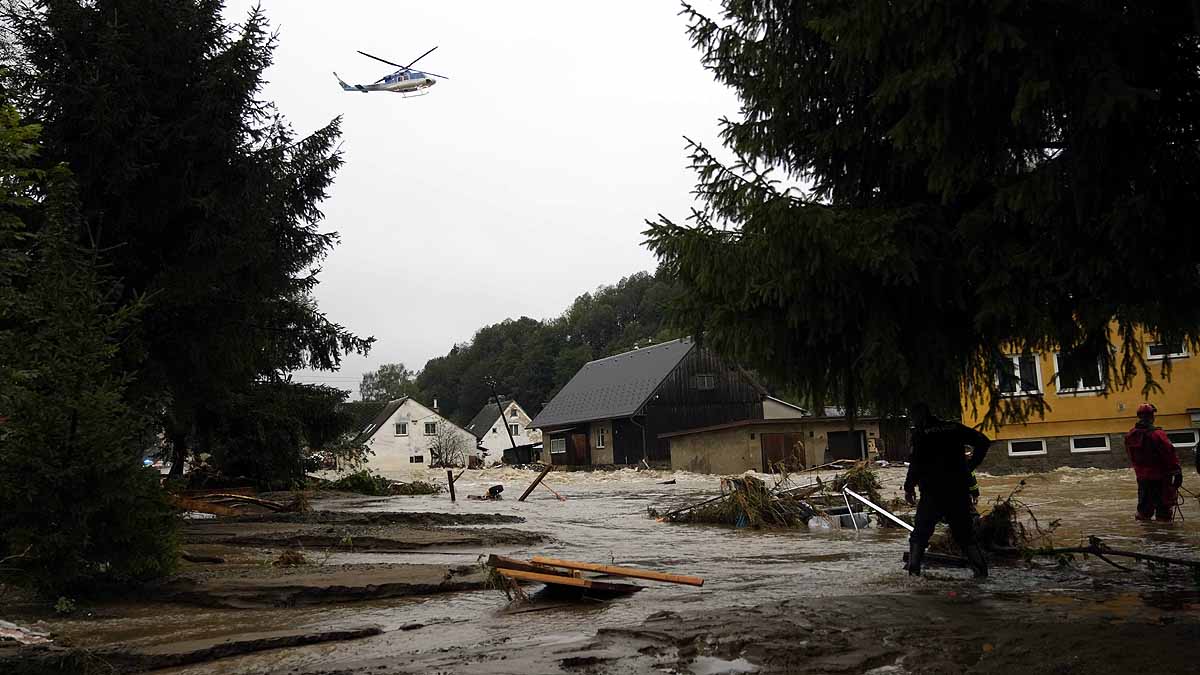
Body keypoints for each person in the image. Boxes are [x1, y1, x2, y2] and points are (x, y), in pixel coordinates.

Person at [903, 403, 992, 578]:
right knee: (965, 535)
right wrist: (970, 466)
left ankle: (913, 572)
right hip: (958, 491)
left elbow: (915, 465)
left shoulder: (921, 435)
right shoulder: (954, 428)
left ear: (920, 416)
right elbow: (983, 442)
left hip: (932, 492)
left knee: (920, 534)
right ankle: (981, 572)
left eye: (914, 417)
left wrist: (908, 488)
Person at [1123, 403, 1182, 522]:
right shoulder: (1158, 434)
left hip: (1142, 478)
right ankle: (1164, 537)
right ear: (1152, 416)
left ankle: (1148, 536)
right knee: (1164, 510)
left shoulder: (1130, 435)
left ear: (1139, 416)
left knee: (1144, 510)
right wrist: (1177, 472)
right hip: (1161, 478)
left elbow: (1130, 455)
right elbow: (1170, 453)